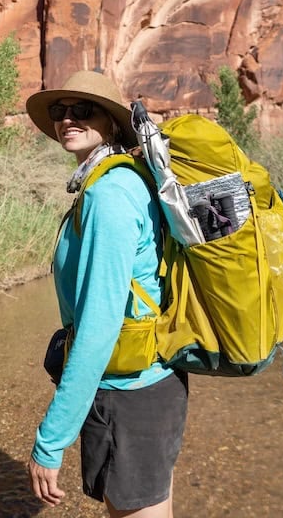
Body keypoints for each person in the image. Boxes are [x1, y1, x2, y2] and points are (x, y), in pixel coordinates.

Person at [25, 70, 188, 518]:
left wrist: (51, 440)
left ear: (112, 122)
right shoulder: (121, 179)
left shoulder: (109, 193)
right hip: (153, 386)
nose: (68, 119)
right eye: (60, 111)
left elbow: (99, 327)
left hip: (127, 399)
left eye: (84, 109)